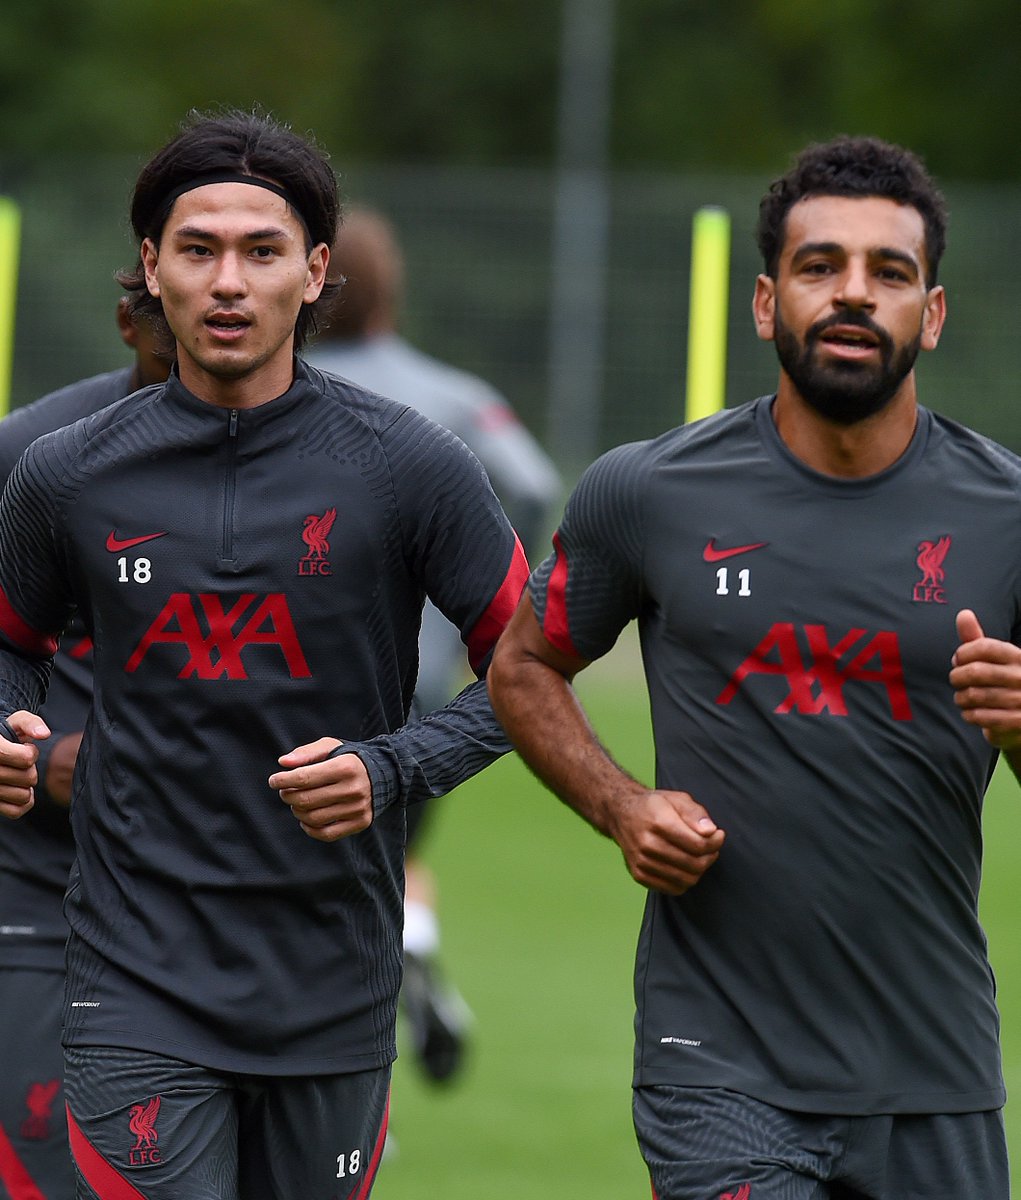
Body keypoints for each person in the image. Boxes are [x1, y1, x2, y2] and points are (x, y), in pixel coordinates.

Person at [0, 108, 528, 1200]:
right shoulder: (63, 472)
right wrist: (11, 732)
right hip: (133, 979)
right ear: (153, 268)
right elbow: (4, 649)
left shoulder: (411, 467)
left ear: (315, 270)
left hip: (331, 983)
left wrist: (395, 770)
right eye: (198, 250)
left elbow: (529, 670)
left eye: (262, 250)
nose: (228, 281)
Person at [488, 135, 1019, 1198]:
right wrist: (620, 804)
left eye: (889, 272)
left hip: (934, 1067)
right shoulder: (645, 493)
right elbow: (522, 667)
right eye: (821, 268)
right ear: (767, 303)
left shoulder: (1006, 513)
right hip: (717, 1066)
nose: (854, 295)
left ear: (935, 313)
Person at [304, 207, 561, 1083]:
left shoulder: (258, 394)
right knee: (393, 851)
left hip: (274, 669)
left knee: (286, 874)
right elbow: (532, 481)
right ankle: (409, 960)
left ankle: (343, 1049)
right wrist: (472, 580)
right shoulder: (451, 396)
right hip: (420, 678)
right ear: (389, 295)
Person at [0, 298, 171, 1200]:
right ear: (129, 318)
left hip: (232, 901)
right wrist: (28, 747)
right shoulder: (32, 454)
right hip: (39, 891)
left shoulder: (321, 461)